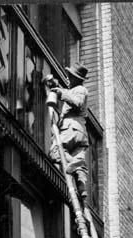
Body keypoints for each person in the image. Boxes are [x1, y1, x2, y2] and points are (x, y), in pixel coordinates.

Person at [45, 62, 89, 200]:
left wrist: (61, 92)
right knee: (79, 162)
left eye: (70, 76)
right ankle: (82, 188)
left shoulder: (80, 89)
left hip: (71, 129)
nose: (68, 78)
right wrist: (56, 86)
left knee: (55, 152)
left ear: (77, 78)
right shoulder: (74, 89)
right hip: (80, 133)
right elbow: (65, 91)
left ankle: (75, 167)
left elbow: (77, 102)